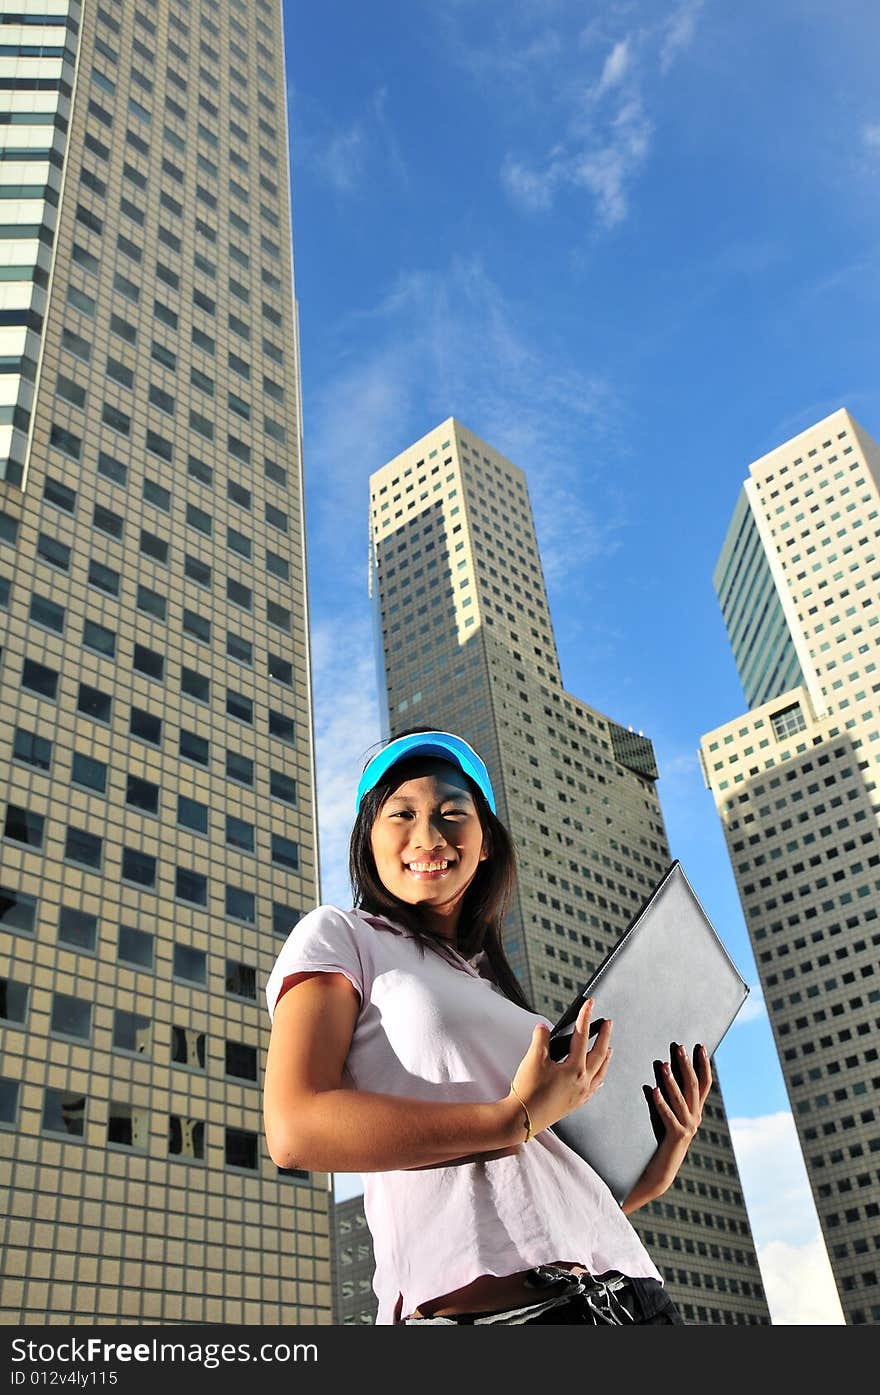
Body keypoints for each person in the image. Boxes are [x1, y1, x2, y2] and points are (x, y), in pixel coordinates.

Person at [263, 728, 713, 1326]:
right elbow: (295, 1129)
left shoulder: (494, 990)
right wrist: (513, 1118)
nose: (428, 836)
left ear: (486, 845)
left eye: (453, 813)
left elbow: (525, 1195)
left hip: (632, 1301)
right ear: (367, 841)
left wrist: (648, 1172)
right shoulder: (342, 936)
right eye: (400, 814)